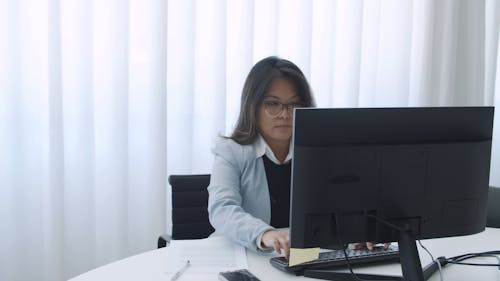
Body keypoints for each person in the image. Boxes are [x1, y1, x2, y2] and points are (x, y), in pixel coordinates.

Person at [207, 56, 386, 259]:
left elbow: (341, 207)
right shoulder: (231, 151)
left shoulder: (320, 152)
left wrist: (361, 232)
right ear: (253, 106)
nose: (285, 114)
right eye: (273, 104)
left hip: (300, 258)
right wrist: (264, 234)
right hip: (242, 256)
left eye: (294, 104)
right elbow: (222, 209)